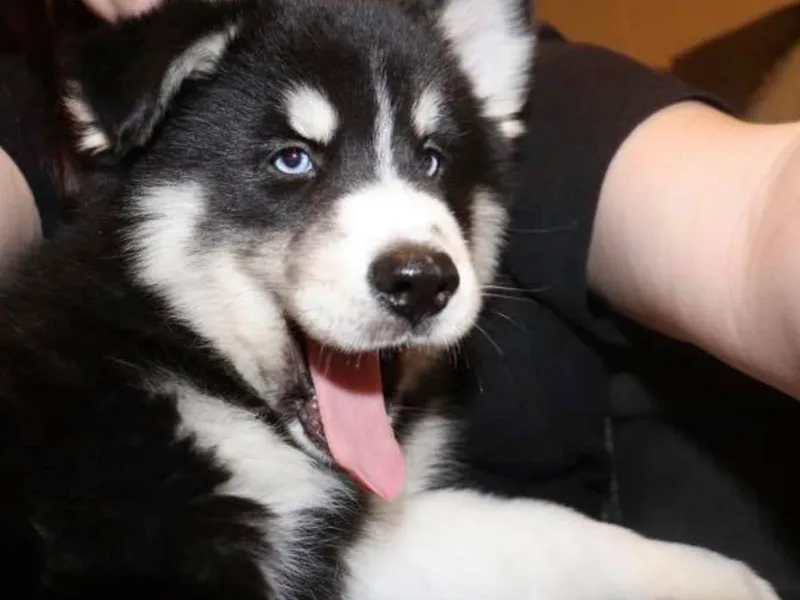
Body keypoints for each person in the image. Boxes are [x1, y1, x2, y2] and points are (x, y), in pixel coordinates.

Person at [2, 0, 800, 597]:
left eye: (428, 160)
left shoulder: (526, 80)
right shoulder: (75, 390)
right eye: (290, 159)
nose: (410, 247)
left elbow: (758, 217)